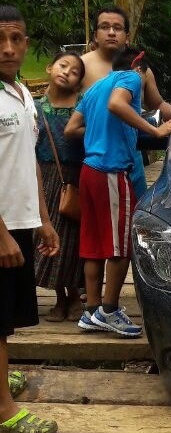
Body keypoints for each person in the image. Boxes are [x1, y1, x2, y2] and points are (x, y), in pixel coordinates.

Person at [65, 46, 171, 337]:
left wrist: (103, 131)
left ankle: (92, 312)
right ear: (140, 68)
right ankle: (109, 310)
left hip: (89, 170)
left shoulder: (95, 88)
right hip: (111, 171)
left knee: (93, 246)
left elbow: (71, 129)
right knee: (122, 246)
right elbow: (118, 105)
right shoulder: (132, 77)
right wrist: (156, 131)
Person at [0, 4, 59, 433]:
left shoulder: (22, 94)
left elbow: (30, 163)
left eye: (16, 38)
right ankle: (4, 411)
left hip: (18, 220)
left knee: (8, 313)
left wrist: (42, 218)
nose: (7, 48)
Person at [81, 5, 171, 199]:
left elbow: (158, 104)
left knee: (135, 219)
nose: (112, 32)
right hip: (95, 163)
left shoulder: (139, 70)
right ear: (95, 35)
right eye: (105, 27)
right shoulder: (79, 66)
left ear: (127, 36)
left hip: (131, 160)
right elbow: (57, 107)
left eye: (117, 28)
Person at [34, 52, 86, 322]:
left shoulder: (82, 105)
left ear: (79, 82)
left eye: (75, 71)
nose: (67, 72)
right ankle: (60, 297)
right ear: (49, 66)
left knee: (74, 238)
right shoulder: (34, 106)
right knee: (49, 237)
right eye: (63, 65)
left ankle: (76, 295)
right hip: (44, 177)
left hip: (76, 177)